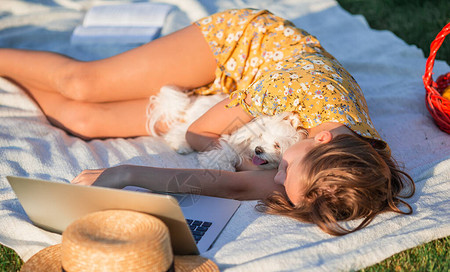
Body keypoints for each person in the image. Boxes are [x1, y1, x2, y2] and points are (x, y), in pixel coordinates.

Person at [0, 8, 415, 235]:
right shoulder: (299, 89)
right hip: (239, 48)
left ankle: (11, 77)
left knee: (84, 120)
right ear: (321, 137)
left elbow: (235, 183)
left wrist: (126, 172)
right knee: (82, 84)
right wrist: (241, 145)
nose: (275, 175)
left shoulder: (343, 163)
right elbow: (201, 134)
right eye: (283, 168)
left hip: (240, 102)